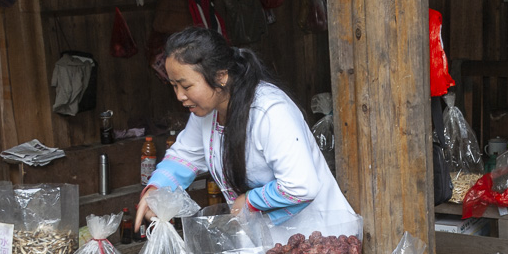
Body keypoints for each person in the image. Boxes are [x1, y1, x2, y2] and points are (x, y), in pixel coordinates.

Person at [135, 26, 354, 228]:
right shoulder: (206, 112)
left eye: (186, 86)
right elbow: (183, 157)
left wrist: (250, 200)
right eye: (174, 86)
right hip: (268, 244)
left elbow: (301, 186)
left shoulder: (269, 111)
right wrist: (155, 190)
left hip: (319, 241)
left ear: (220, 76)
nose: (180, 96)